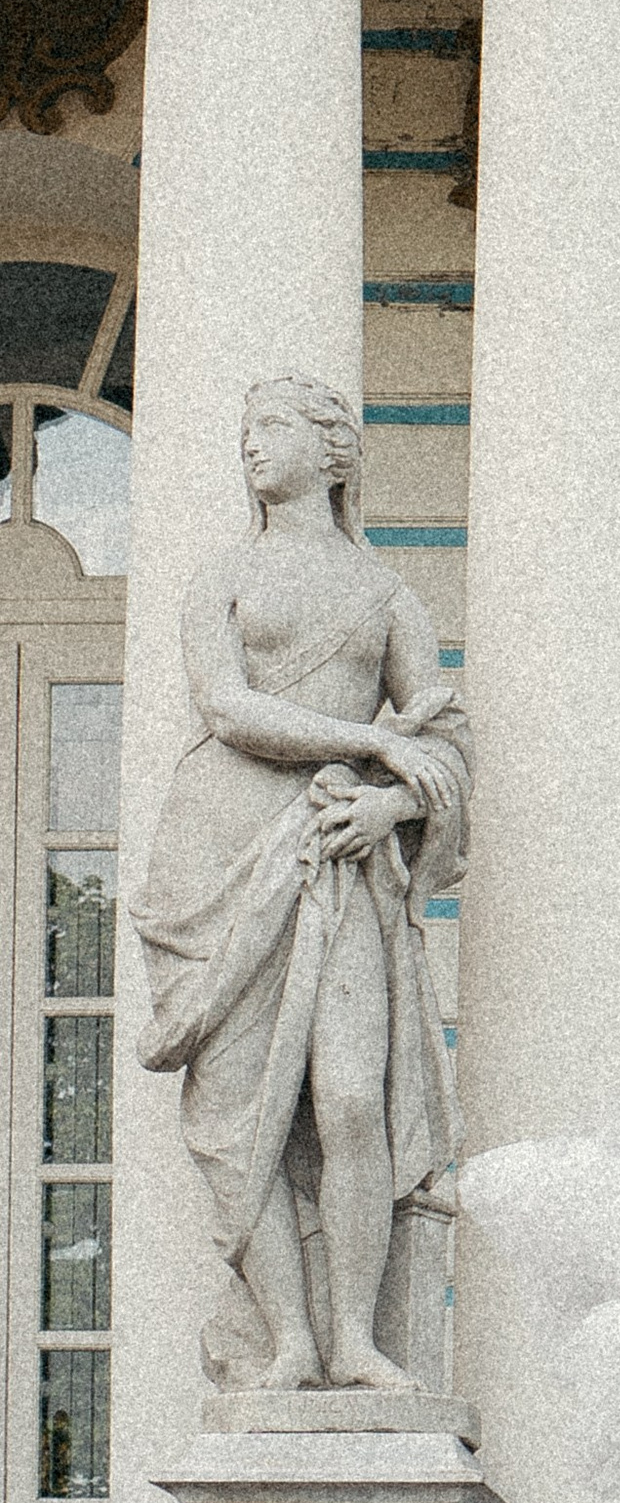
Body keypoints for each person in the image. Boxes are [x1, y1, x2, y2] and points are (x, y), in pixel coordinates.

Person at [131, 375, 470, 1392]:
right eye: (243, 432)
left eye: (270, 427)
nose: (249, 446)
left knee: (354, 1101)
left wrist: (391, 808)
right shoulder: (221, 577)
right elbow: (228, 709)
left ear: (336, 453)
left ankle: (356, 1338)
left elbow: (445, 742)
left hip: (340, 856)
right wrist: (369, 741)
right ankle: (290, 1339)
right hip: (222, 853)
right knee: (248, 1120)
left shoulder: (386, 594)